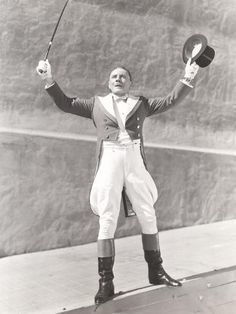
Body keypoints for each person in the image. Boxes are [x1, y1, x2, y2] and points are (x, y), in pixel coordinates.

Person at [36, 58, 199, 304]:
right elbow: (65, 103)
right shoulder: (96, 104)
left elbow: (170, 100)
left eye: (123, 76)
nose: (118, 79)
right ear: (108, 82)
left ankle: (156, 271)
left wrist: (187, 77)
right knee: (107, 217)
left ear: (130, 82)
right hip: (109, 159)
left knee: (147, 212)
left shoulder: (141, 103)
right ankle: (106, 282)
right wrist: (48, 79)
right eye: (114, 76)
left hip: (134, 159)